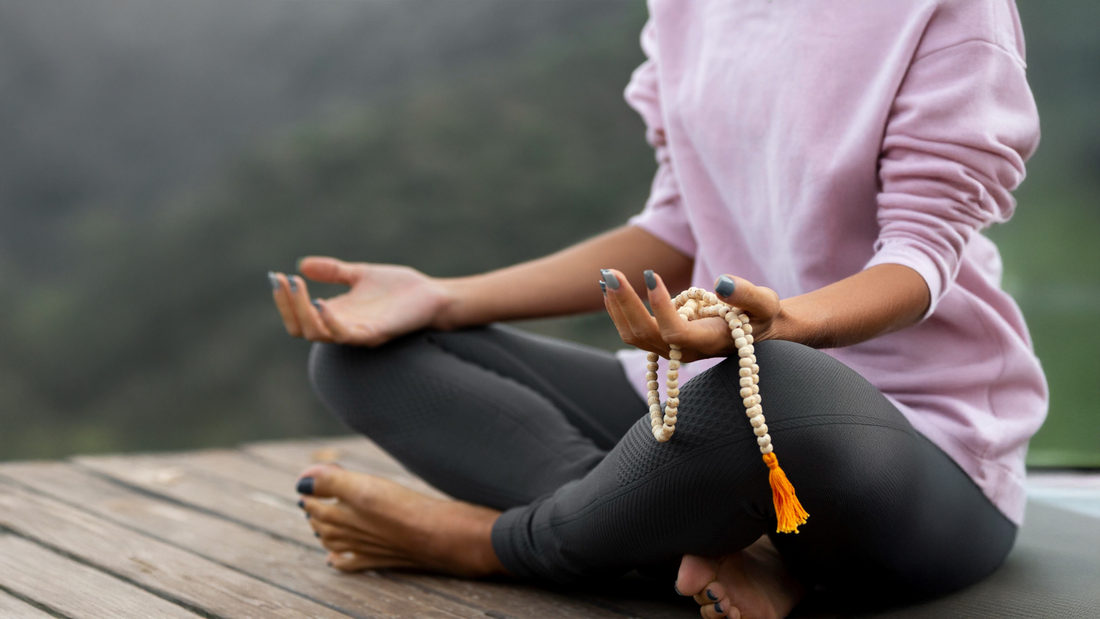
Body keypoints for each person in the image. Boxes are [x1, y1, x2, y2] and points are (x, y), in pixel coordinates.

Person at [267, 1, 1046, 616]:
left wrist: (788, 324)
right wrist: (442, 296)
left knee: (772, 381)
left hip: (911, 450)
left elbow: (922, 251)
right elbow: (680, 225)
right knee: (367, 354)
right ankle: (693, 535)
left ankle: (495, 543)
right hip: (708, 400)